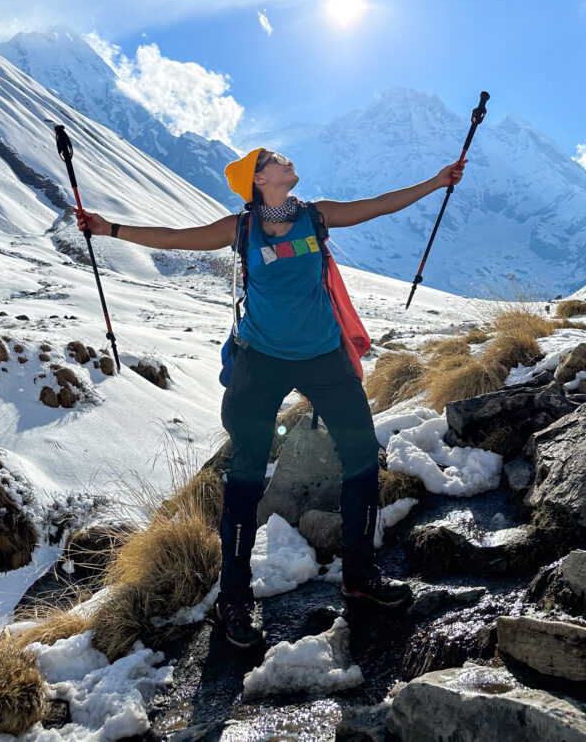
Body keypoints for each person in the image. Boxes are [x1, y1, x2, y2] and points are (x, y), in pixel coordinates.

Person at [73, 147, 466, 648]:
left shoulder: (315, 216)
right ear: (259, 179)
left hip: (324, 356)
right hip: (259, 359)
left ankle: (360, 575)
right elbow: (175, 239)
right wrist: (111, 230)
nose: (288, 162)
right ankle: (233, 598)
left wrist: (435, 181)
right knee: (245, 475)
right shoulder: (239, 228)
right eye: (277, 160)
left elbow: (380, 204)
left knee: (363, 458)